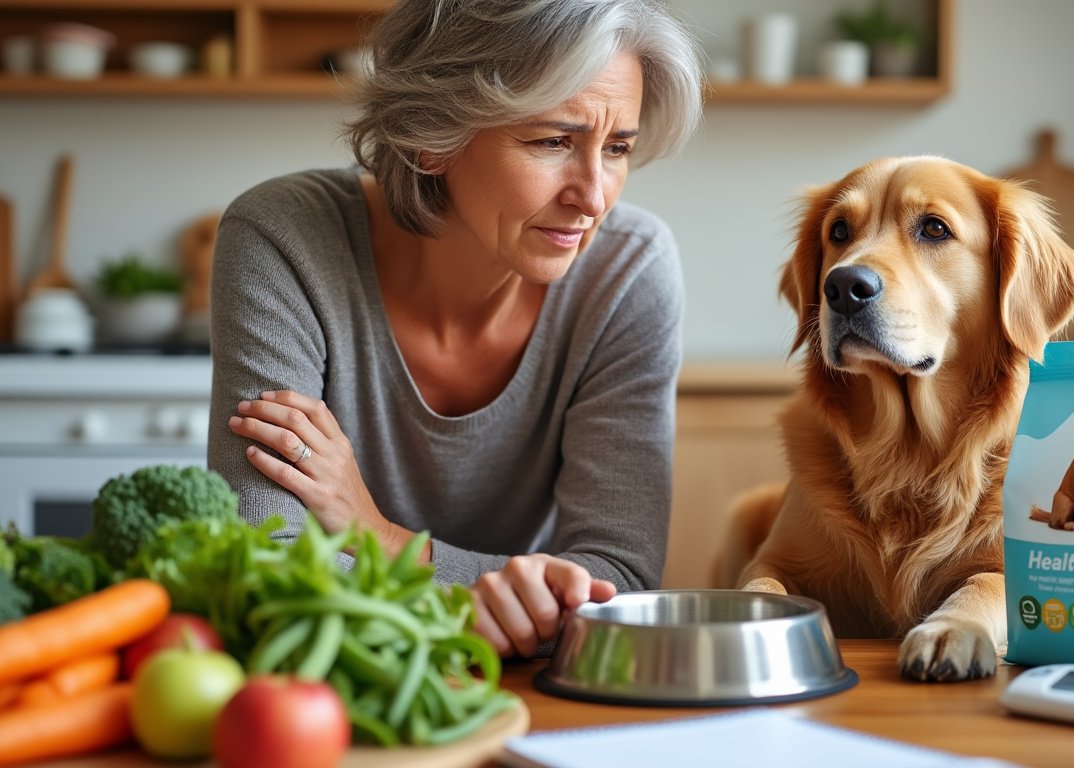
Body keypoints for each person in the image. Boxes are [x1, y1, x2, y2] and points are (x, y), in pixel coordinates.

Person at [206, 0, 703, 658]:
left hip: (527, 699)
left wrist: (377, 537)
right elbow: (265, 565)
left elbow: (620, 588)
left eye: (616, 149)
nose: (594, 196)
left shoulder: (629, 272)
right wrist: (478, 602)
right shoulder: (285, 241)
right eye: (553, 141)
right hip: (326, 684)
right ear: (430, 135)